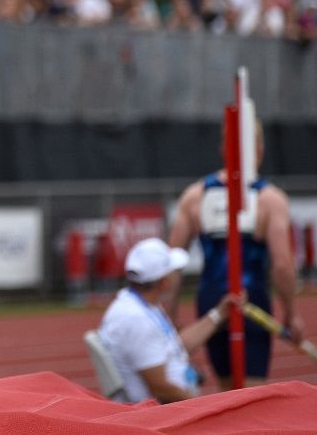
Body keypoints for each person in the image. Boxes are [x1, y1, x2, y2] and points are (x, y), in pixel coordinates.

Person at [167, 124, 302, 390]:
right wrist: (292, 313)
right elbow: (282, 265)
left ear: (222, 149)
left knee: (226, 392)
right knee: (250, 394)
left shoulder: (194, 197)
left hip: (211, 300)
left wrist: (169, 316)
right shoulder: (270, 200)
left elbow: (170, 265)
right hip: (251, 302)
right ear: (259, 150)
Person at [97, 238, 235, 403]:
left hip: (166, 409)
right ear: (164, 282)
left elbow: (174, 346)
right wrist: (201, 407)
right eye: (174, 272)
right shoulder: (137, 319)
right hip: (161, 416)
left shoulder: (140, 305)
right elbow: (160, 388)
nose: (178, 276)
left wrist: (218, 314)